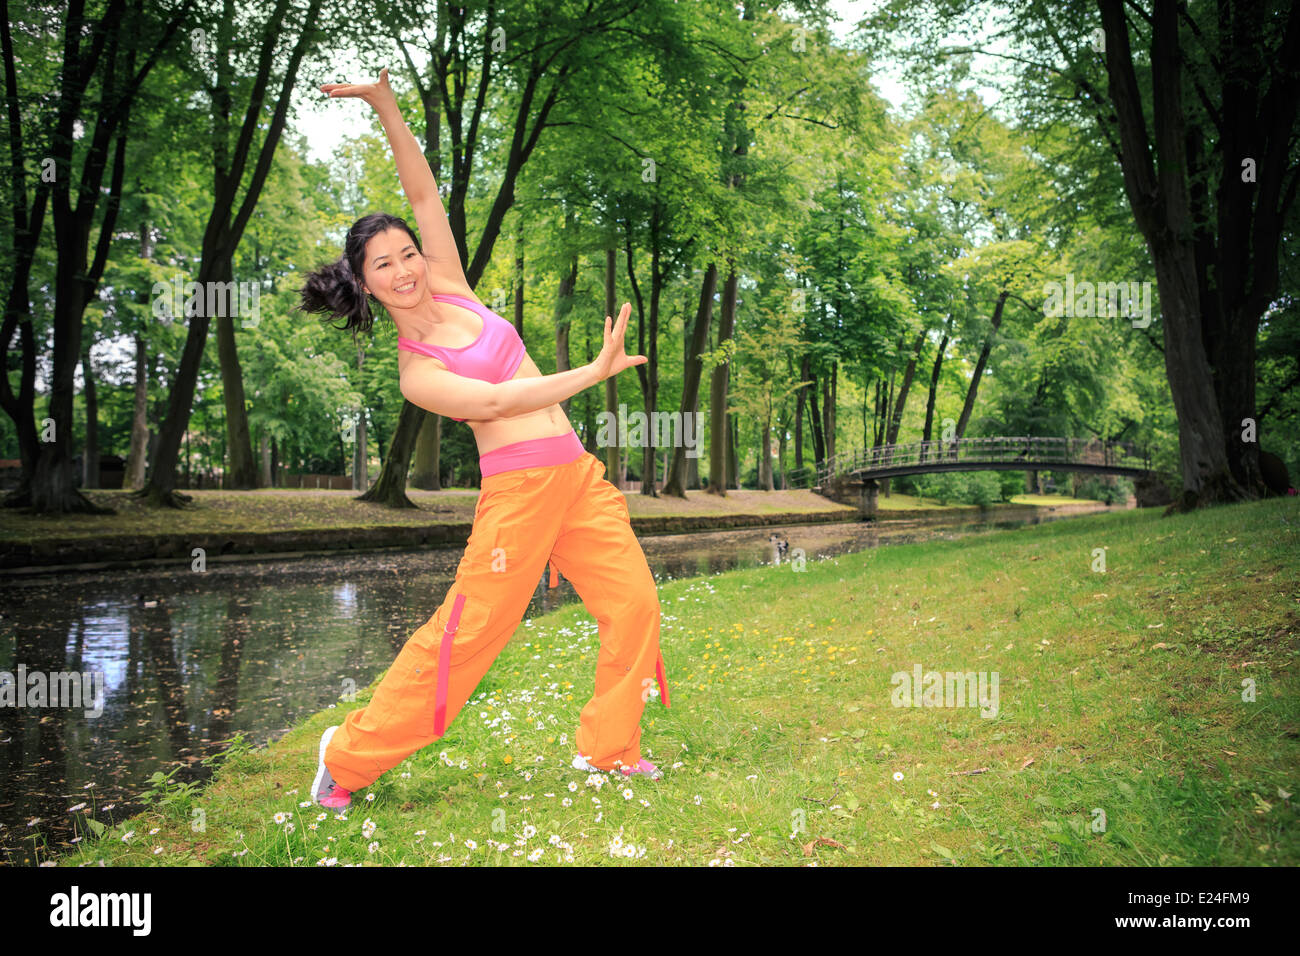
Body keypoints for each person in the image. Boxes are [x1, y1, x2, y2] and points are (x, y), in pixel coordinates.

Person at [299, 69, 669, 809]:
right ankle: (346, 757)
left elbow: (425, 194)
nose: (405, 269)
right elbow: (500, 399)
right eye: (385, 265)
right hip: (518, 499)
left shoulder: (453, 284)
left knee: (634, 603)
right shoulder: (416, 372)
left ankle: (609, 749)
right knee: (466, 639)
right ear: (366, 285)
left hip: (577, 479)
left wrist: (387, 105)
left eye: (408, 254)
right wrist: (591, 373)